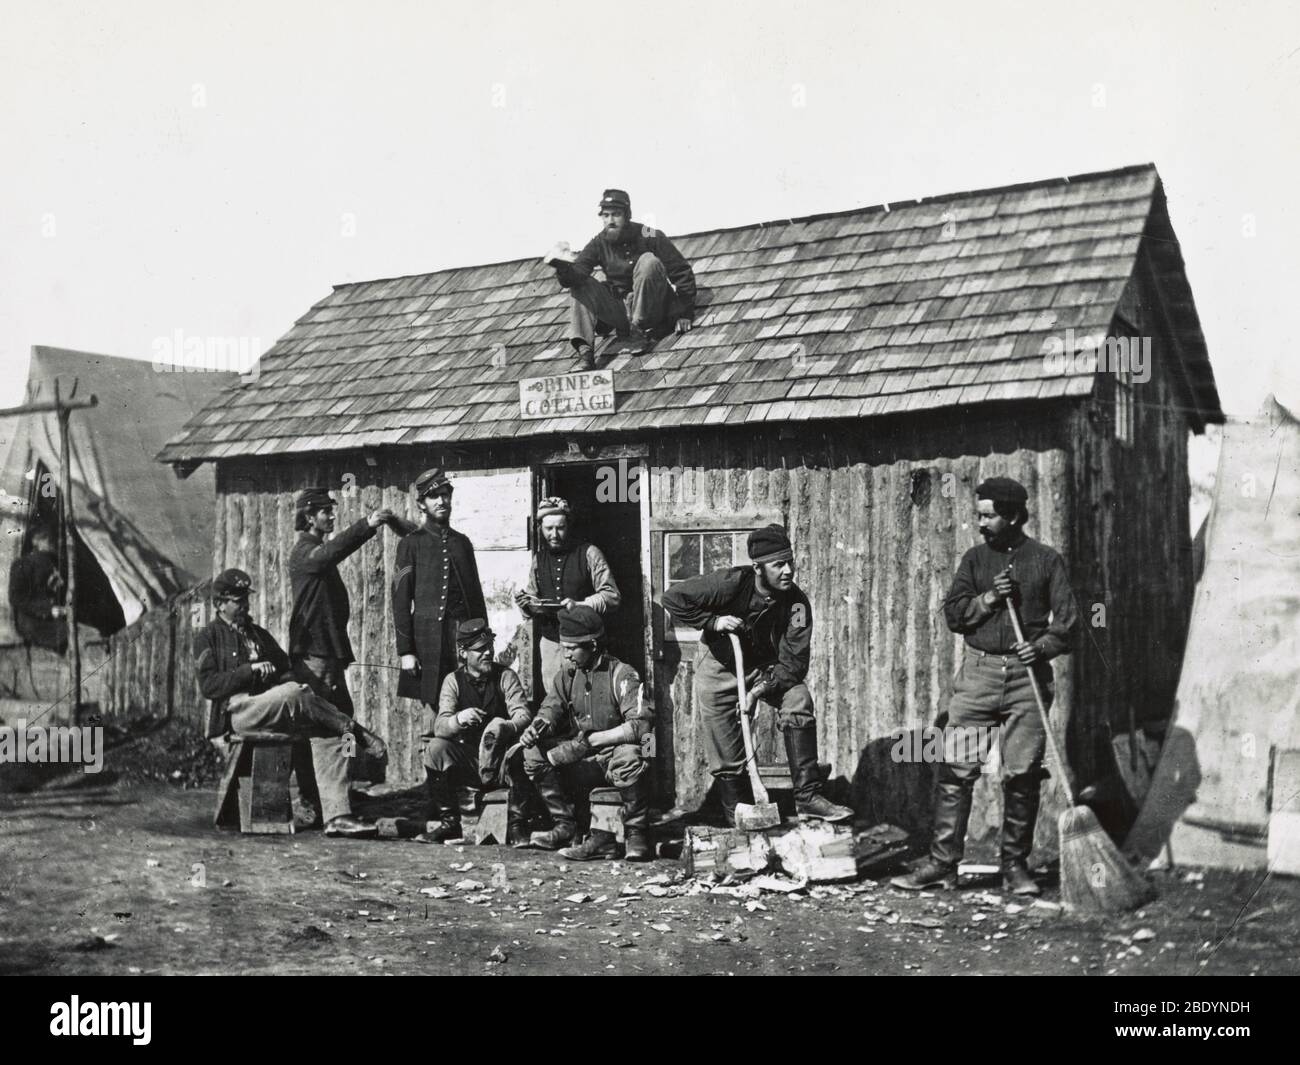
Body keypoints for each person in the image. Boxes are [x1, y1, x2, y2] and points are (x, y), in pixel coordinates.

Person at [891, 477, 1079, 896]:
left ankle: (1015, 867)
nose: (980, 523)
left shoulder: (1046, 561)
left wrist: (1042, 646)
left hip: (1026, 682)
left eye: (988, 515)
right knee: (957, 770)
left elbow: (1069, 624)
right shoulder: (974, 560)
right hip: (977, 678)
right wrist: (990, 600)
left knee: (1022, 774)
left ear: (1012, 515)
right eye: (978, 515)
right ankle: (942, 864)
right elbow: (955, 616)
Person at [662, 524, 853, 826]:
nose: (788, 571)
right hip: (719, 666)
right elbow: (673, 597)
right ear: (758, 568)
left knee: (798, 697)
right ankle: (737, 816)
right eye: (779, 565)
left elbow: (794, 663)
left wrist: (758, 691)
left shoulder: (797, 605)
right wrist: (712, 622)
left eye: (790, 562)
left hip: (765, 670)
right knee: (725, 748)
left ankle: (808, 797)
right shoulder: (730, 583)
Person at [196, 568, 386, 838]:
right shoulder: (208, 637)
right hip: (239, 712)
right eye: (238, 601)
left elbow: (286, 669)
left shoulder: (259, 634)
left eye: (246, 600)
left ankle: (338, 815)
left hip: (275, 705)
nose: (245, 606)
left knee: (333, 733)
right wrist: (249, 671)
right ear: (219, 604)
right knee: (293, 693)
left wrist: (277, 676)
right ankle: (355, 728)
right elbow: (209, 686)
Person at [518, 606, 654, 861]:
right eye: (564, 647)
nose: (566, 655)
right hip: (585, 759)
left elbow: (642, 726)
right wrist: (535, 729)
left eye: (572, 648)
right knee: (532, 753)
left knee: (632, 756)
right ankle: (565, 824)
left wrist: (595, 739)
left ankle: (637, 833)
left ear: (592, 644)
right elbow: (550, 709)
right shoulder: (567, 675)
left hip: (613, 754)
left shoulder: (622, 673)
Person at [288, 487, 411, 716]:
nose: (333, 516)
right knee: (325, 717)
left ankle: (348, 752)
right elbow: (330, 553)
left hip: (326, 651)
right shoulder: (304, 553)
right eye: (326, 511)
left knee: (341, 714)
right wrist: (367, 524)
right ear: (309, 517)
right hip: (315, 654)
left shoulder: (315, 551)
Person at [418, 619, 535, 843]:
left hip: (504, 761)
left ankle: (517, 825)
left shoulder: (505, 676)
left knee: (523, 753)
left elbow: (523, 715)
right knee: (435, 749)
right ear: (463, 653)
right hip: (472, 761)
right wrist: (459, 719)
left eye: (490, 646)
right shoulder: (452, 681)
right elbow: (440, 727)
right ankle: (450, 823)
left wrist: (505, 726)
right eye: (480, 649)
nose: (488, 653)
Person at [553, 188, 697, 369]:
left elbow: (680, 270)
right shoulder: (598, 242)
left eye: (616, 214)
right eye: (605, 215)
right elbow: (579, 272)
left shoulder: (648, 233)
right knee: (580, 284)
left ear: (627, 215)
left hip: (653, 309)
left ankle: (640, 330)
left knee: (648, 261)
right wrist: (562, 267)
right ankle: (585, 352)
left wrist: (684, 313)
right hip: (622, 312)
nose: (610, 221)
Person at [392, 468, 487, 710]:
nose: (442, 501)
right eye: (434, 496)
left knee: (470, 699)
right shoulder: (411, 545)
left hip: (463, 638)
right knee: (434, 709)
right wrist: (406, 652)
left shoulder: (462, 543)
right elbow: (400, 602)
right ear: (421, 504)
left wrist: (483, 640)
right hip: (428, 642)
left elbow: (476, 597)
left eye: (445, 495)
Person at [514, 496, 620, 694]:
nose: (554, 534)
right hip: (551, 644)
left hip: (585, 645)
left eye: (560, 528)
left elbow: (612, 596)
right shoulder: (539, 560)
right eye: (548, 529)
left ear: (569, 526)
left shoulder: (589, 553)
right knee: (555, 699)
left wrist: (580, 605)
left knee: (587, 699)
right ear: (540, 529)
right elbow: (533, 599)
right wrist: (526, 604)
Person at [8, 526, 66, 652]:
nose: (54, 542)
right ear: (35, 542)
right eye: (47, 538)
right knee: (70, 633)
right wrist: (48, 610)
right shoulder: (23, 564)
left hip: (53, 618)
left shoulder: (55, 563)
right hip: (33, 622)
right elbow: (16, 598)